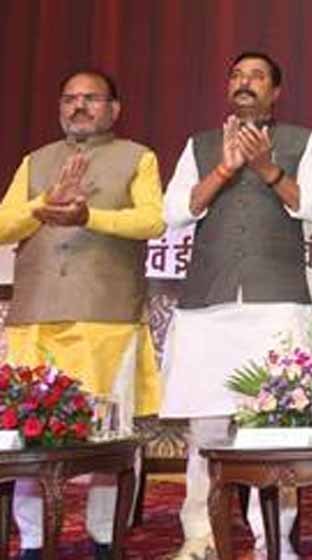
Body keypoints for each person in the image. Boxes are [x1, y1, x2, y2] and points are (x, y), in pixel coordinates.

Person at [160, 51, 312, 560]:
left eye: (256, 76)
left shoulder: (301, 140)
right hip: (208, 305)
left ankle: (271, 541)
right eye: (237, 75)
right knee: (207, 430)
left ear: (275, 92)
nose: (245, 82)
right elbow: (175, 211)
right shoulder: (200, 145)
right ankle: (201, 537)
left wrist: (266, 168)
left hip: (275, 304)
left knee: (275, 429)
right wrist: (224, 169)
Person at [0, 70, 166, 560]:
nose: (79, 106)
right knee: (26, 438)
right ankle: (32, 542)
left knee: (106, 439)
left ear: (114, 109)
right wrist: (42, 205)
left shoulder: (138, 157)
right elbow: (3, 226)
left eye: (91, 98)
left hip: (105, 316)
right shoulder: (35, 161)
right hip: (36, 316)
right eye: (70, 98)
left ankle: (104, 538)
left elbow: (151, 220)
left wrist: (88, 216)